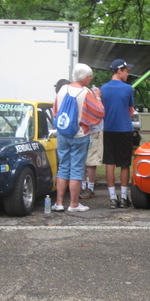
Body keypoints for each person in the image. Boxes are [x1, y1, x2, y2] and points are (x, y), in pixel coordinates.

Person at [51, 64, 104, 212]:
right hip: (79, 134)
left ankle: (59, 203)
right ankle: (73, 204)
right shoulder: (86, 93)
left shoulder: (62, 89)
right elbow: (98, 113)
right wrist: (98, 98)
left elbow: (55, 110)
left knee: (63, 167)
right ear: (83, 77)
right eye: (89, 76)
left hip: (63, 133)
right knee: (76, 169)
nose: (90, 78)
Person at [100, 58, 136, 209]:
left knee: (110, 162)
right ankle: (123, 197)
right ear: (119, 71)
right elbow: (131, 110)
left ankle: (112, 198)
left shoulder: (103, 89)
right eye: (126, 71)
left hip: (108, 129)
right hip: (124, 129)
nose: (128, 74)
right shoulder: (128, 89)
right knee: (124, 164)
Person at [80, 102, 103, 199]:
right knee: (88, 161)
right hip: (92, 131)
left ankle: (86, 187)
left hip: (85, 131)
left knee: (87, 161)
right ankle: (87, 187)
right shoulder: (93, 96)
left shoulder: (84, 94)